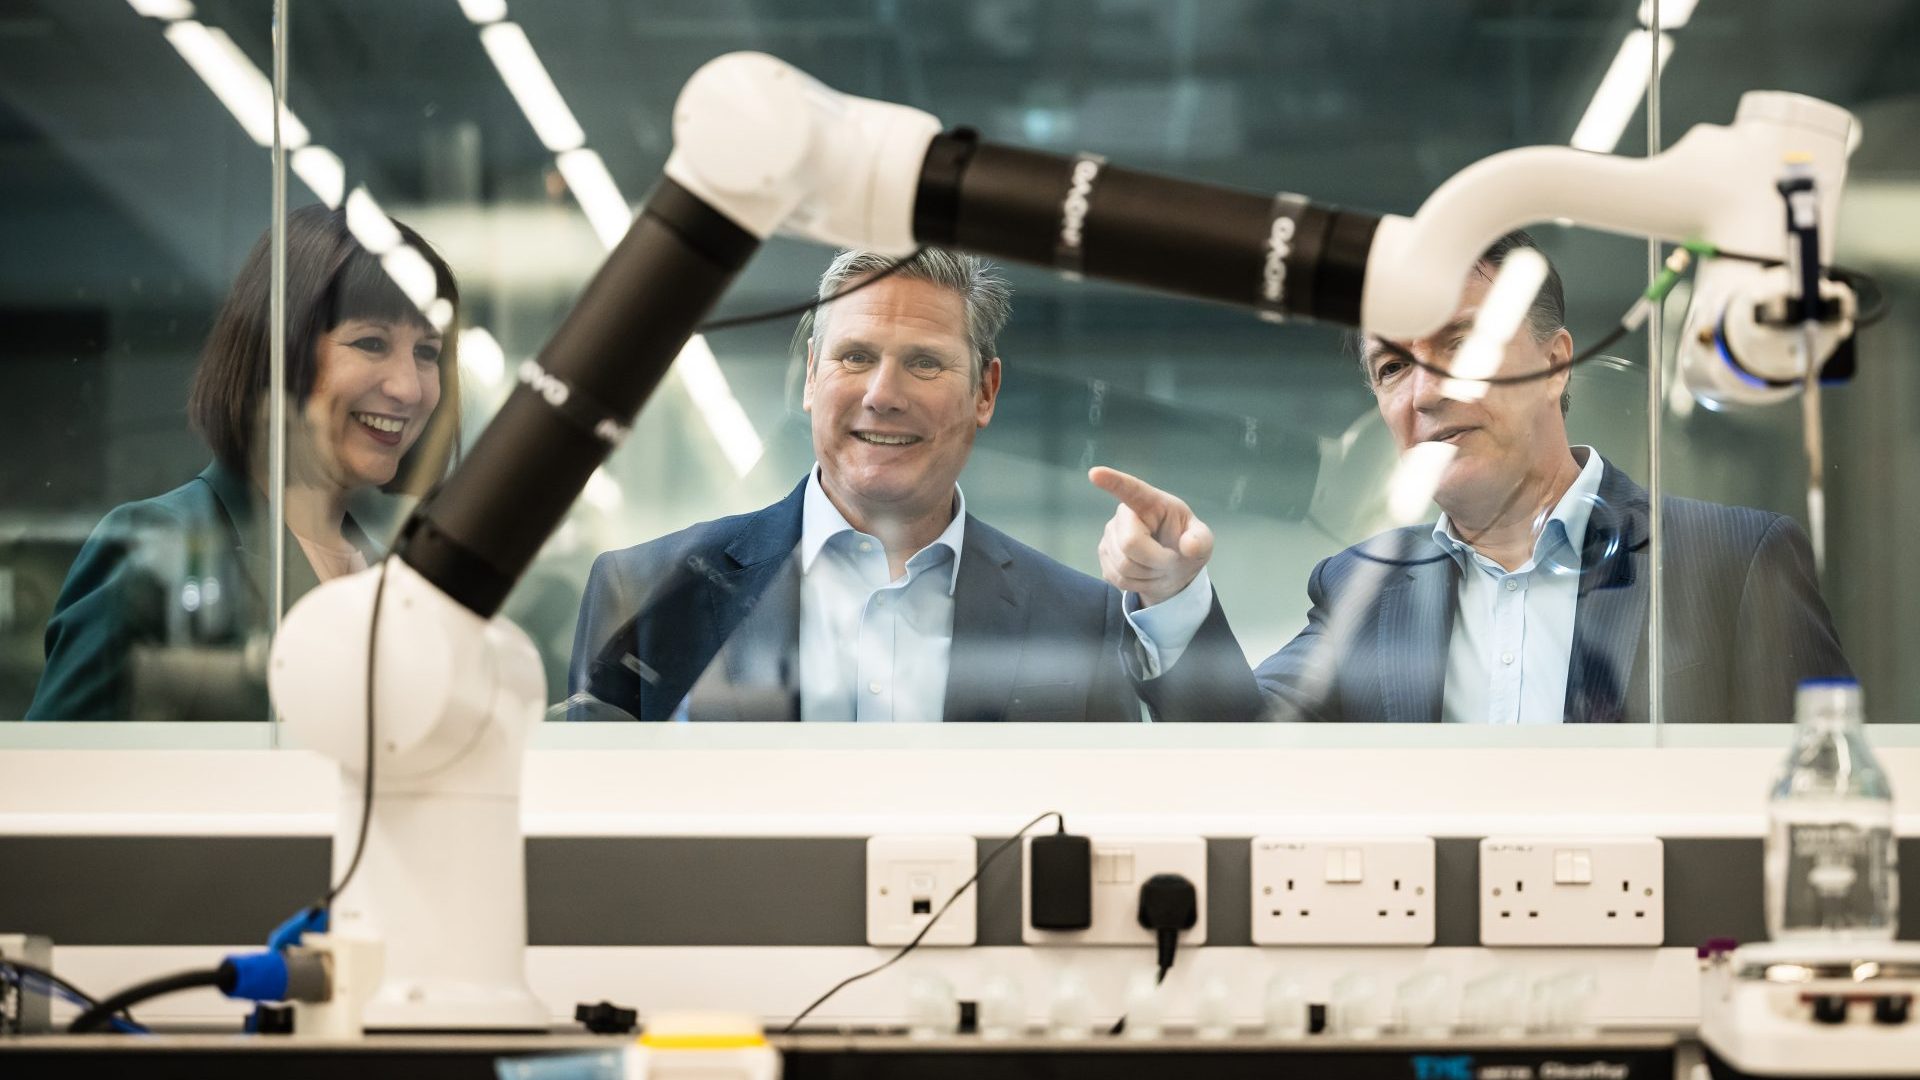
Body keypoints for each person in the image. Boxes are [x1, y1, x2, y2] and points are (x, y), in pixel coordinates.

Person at [1089, 230, 1849, 724]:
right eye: (1392, 368)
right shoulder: (1366, 588)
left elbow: (1824, 802)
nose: (1424, 392)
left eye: (1460, 346)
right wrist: (1173, 594)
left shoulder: (1732, 561)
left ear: (1556, 365)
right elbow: (1247, 750)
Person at [569, 248, 1247, 722]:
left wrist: (1171, 599)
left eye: (924, 363)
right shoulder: (648, 591)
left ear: (986, 391)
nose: (881, 395)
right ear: (811, 378)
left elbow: (1241, 784)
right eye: (855, 357)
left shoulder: (1078, 623)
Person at [26, 205, 461, 721]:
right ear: (281, 353)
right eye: (371, 343)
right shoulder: (152, 548)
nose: (409, 387)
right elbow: (56, 783)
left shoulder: (392, 575)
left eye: (428, 353)